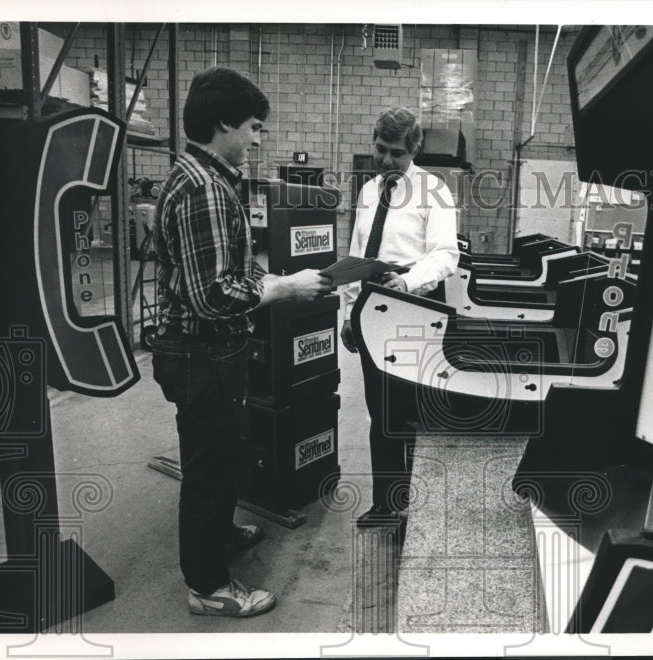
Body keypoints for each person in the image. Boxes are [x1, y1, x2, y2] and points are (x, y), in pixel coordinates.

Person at [152, 66, 331, 617]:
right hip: (202, 353)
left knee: (225, 455)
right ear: (224, 123)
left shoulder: (205, 177)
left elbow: (225, 272)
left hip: (210, 351)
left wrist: (267, 279)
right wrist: (284, 288)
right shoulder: (204, 189)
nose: (257, 139)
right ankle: (207, 587)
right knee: (208, 469)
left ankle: (219, 534)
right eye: (254, 127)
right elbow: (212, 297)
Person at [339, 106, 460, 527]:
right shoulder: (368, 191)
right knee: (380, 412)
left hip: (413, 309)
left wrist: (406, 282)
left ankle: (415, 508)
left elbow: (445, 255)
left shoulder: (434, 191)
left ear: (414, 150)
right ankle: (387, 505)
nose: (386, 160)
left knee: (408, 413)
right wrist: (349, 311)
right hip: (371, 308)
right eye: (381, 150)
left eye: (396, 153)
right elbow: (357, 255)